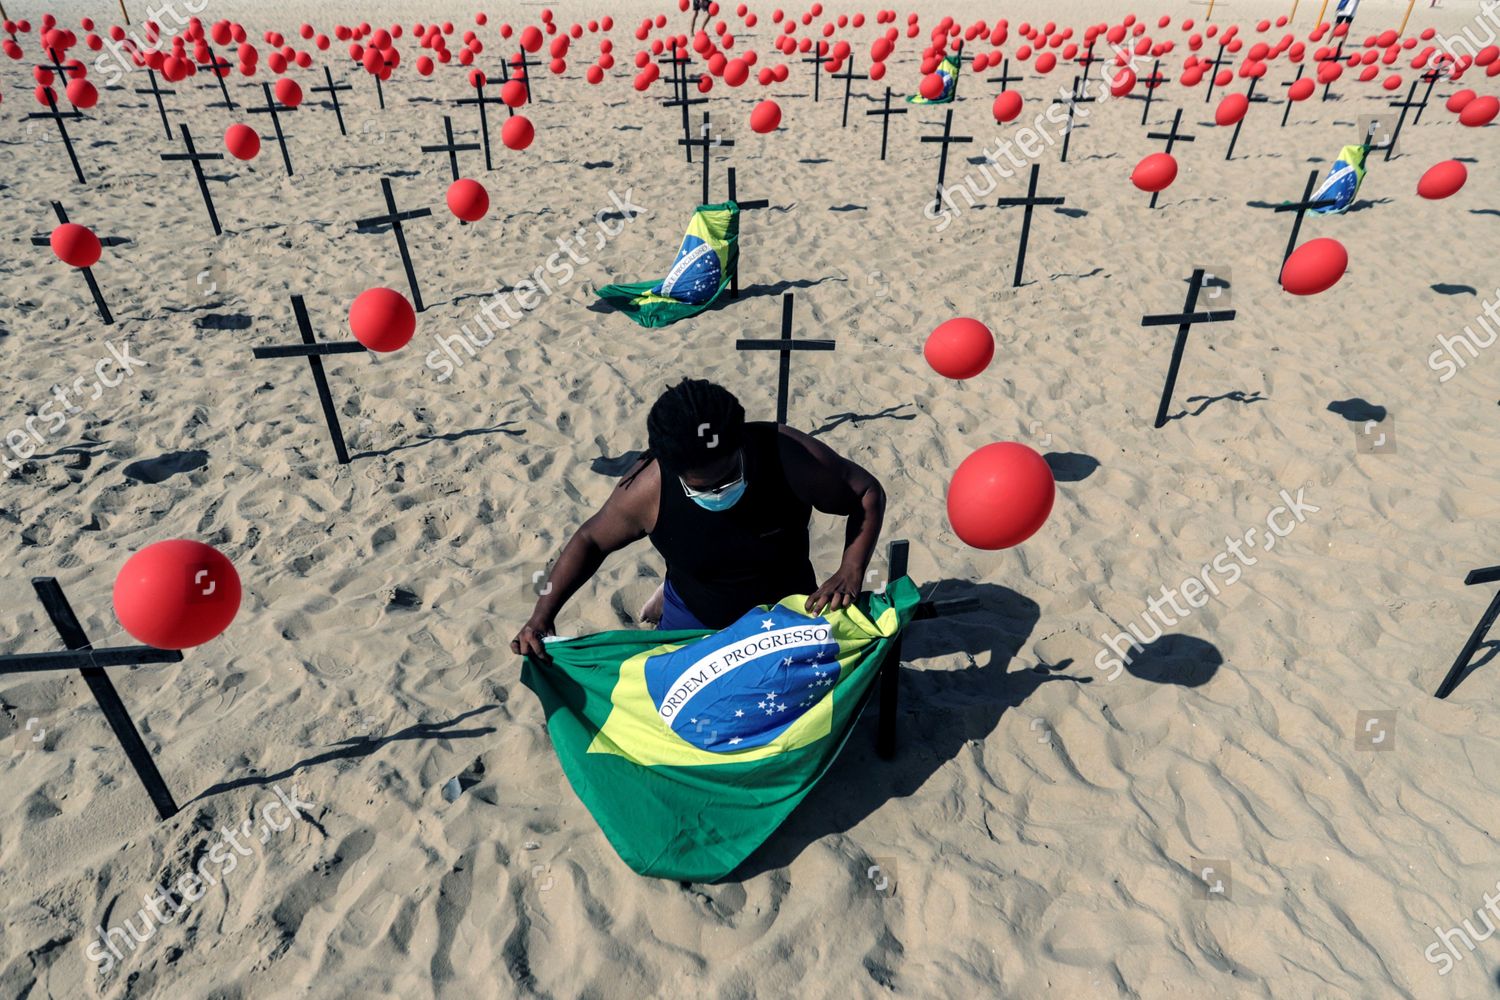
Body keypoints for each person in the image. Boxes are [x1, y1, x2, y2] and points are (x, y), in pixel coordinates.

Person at [511, 378, 885, 657]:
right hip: (694, 615)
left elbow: (866, 493)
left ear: (740, 444)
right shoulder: (647, 488)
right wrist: (542, 614)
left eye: (727, 477)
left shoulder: (786, 455)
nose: (719, 491)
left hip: (786, 613)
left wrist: (851, 569)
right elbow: (589, 541)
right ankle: (666, 597)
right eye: (703, 487)